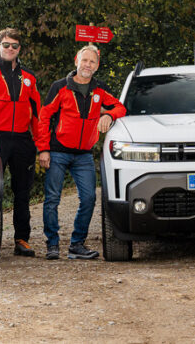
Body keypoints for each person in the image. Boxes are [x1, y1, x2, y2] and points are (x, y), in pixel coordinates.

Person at [37, 45, 126, 260]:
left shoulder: (99, 89)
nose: (88, 65)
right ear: (76, 60)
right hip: (57, 152)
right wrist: (43, 149)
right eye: (85, 60)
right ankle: (53, 244)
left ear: (97, 66)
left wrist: (109, 116)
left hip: (84, 154)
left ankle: (77, 245)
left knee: (88, 198)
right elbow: (44, 117)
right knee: (52, 199)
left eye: (92, 62)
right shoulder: (60, 87)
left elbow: (121, 107)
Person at [0, 28, 45, 257]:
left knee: (22, 192)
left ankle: (21, 239)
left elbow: (38, 115)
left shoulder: (29, 78)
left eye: (14, 45)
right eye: (6, 45)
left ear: (19, 49)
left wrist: (42, 145)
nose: (10, 49)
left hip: (23, 140)